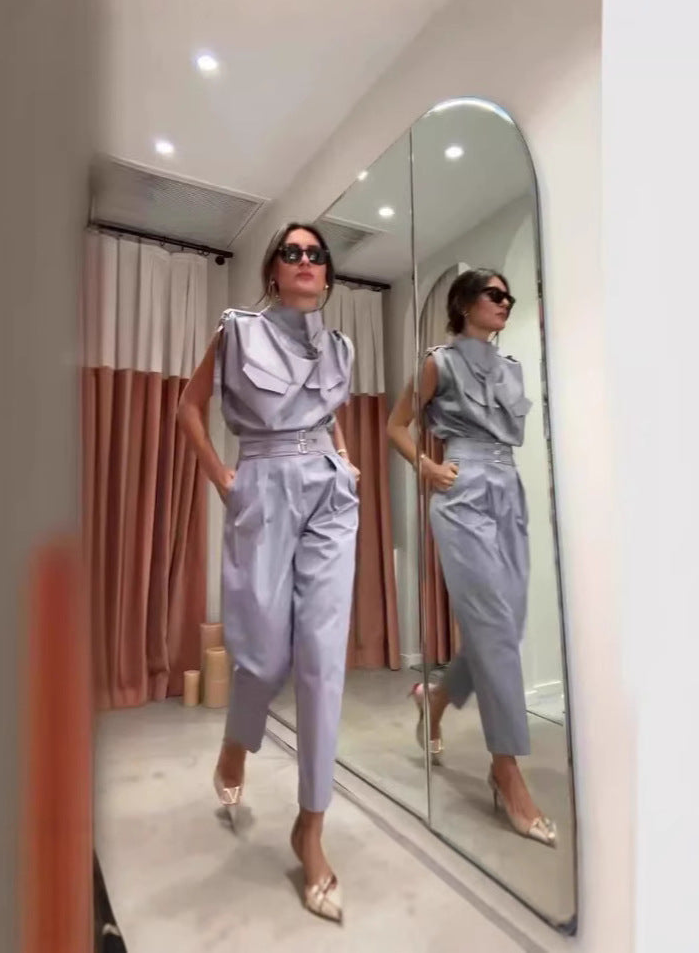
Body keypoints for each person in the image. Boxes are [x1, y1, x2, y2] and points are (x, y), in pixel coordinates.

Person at [178, 222, 360, 922]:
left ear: (325, 273)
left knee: (322, 658)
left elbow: (330, 414)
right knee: (263, 657)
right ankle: (236, 744)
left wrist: (345, 461)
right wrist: (220, 475)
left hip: (329, 494)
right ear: (273, 272)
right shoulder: (237, 333)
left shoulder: (340, 347)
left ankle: (310, 827)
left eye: (316, 254)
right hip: (261, 482)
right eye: (293, 253)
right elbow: (188, 407)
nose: (306, 261)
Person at [387, 268, 557, 848]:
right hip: (462, 493)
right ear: (464, 304)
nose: (505, 302)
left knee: (506, 625)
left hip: (509, 491)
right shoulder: (438, 362)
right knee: (495, 629)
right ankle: (505, 770)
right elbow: (396, 426)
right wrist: (428, 467)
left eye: (509, 296)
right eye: (495, 294)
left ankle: (435, 700)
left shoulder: (510, 367)